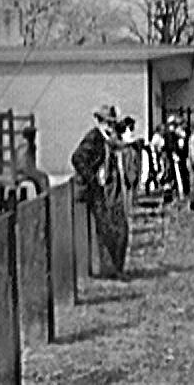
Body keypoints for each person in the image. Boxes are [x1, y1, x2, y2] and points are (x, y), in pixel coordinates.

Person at [70, 104, 130, 280]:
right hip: (96, 192)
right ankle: (111, 270)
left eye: (112, 123)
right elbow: (77, 158)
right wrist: (92, 180)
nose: (109, 126)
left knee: (118, 228)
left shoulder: (106, 139)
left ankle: (115, 269)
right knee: (108, 230)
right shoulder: (94, 137)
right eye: (106, 122)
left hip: (107, 191)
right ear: (98, 121)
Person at [16, 125, 50, 195]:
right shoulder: (29, 145)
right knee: (43, 178)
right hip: (27, 170)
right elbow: (26, 162)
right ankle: (44, 198)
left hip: (24, 169)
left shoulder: (21, 145)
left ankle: (40, 194)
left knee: (40, 178)